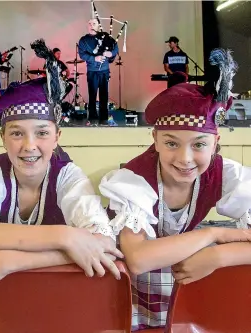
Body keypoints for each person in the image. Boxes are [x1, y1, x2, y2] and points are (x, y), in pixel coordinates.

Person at [0, 39, 122, 293]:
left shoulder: (68, 176)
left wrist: (11, 261)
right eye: (17, 133)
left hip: (57, 296)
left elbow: (105, 242)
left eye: (42, 133)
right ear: (2, 138)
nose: (29, 146)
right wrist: (64, 238)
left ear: (57, 138)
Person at [99, 49, 251, 331]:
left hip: (188, 288)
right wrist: (214, 234)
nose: (184, 158)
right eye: (171, 143)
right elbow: (139, 258)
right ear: (154, 140)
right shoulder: (133, 179)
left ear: (215, 142)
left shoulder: (225, 172)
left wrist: (220, 256)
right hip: (134, 298)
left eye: (199, 144)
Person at [78, 19, 118, 126]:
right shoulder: (83, 40)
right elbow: (82, 54)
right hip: (92, 71)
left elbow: (115, 47)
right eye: (89, 23)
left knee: (104, 95)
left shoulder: (105, 37)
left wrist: (110, 53)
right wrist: (94, 58)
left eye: (94, 23)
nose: (91, 25)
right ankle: (92, 118)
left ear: (98, 25)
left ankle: (104, 119)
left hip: (104, 71)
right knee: (92, 95)